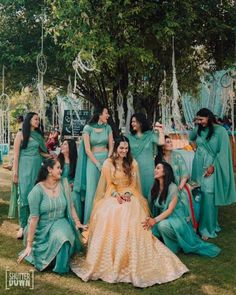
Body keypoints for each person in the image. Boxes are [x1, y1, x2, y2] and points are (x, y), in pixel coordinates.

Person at [71, 137, 188, 288]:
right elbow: (109, 186)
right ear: (116, 148)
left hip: (130, 195)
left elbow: (134, 185)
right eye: (121, 148)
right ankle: (111, 259)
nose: (124, 151)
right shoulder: (108, 164)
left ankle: (132, 257)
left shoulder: (132, 163)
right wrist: (116, 196)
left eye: (126, 148)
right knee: (108, 213)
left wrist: (128, 194)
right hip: (113, 195)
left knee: (128, 211)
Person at [17, 158, 87, 273]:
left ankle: (60, 266)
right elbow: (34, 219)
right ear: (49, 170)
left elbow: (71, 206)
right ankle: (47, 257)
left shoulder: (64, 184)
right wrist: (29, 245)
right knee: (51, 242)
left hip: (60, 221)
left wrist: (78, 222)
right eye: (58, 168)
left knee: (63, 237)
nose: (61, 170)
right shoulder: (37, 191)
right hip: (41, 226)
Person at [143, 162, 221, 257]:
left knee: (162, 225)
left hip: (177, 218)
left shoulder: (173, 188)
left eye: (158, 168)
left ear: (165, 172)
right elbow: (152, 206)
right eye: (155, 168)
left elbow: (170, 210)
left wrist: (154, 220)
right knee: (149, 228)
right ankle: (170, 239)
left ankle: (175, 246)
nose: (155, 170)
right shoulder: (154, 187)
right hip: (163, 217)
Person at [189, 108, 236, 240]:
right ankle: (197, 225)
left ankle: (208, 228)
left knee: (209, 196)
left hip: (211, 165)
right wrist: (196, 125)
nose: (200, 122)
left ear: (209, 117)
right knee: (198, 194)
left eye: (201, 119)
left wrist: (213, 166)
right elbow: (191, 137)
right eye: (198, 119)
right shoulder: (198, 128)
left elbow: (223, 151)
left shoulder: (220, 131)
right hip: (197, 165)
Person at [73, 106, 113, 223]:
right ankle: (90, 222)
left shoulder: (108, 127)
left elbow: (111, 146)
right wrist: (97, 164)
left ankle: (105, 220)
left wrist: (107, 160)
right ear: (99, 114)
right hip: (92, 161)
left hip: (106, 159)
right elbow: (87, 149)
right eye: (106, 113)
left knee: (106, 188)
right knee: (92, 189)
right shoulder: (87, 128)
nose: (108, 115)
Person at [12, 112, 49, 239]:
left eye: (38, 119)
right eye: (36, 119)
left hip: (37, 167)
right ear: (29, 120)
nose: (38, 121)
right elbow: (16, 155)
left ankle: (33, 223)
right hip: (24, 168)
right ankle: (22, 226)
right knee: (23, 195)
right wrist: (15, 172)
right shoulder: (20, 134)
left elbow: (41, 152)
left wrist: (50, 156)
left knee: (36, 194)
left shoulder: (38, 135)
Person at [155, 136, 198, 229]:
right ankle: (165, 225)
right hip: (165, 187)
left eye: (171, 141)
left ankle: (187, 226)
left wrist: (179, 188)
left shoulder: (177, 155)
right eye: (168, 142)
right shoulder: (159, 159)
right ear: (162, 146)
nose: (171, 143)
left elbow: (184, 174)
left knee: (183, 196)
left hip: (179, 186)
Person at [126, 113, 164, 201]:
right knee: (138, 193)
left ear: (141, 122)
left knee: (150, 192)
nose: (132, 124)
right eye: (132, 122)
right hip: (135, 169)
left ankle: (151, 214)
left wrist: (160, 130)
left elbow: (161, 142)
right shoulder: (129, 137)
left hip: (149, 169)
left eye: (134, 121)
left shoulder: (150, 135)